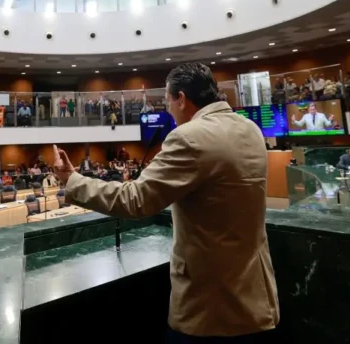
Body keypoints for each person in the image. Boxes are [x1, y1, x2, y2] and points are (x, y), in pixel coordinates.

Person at [52, 63, 279, 341]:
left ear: (181, 98)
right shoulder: (251, 129)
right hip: (257, 299)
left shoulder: (189, 137)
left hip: (212, 307)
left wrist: (72, 180)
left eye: (168, 101)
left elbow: (135, 200)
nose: (169, 110)